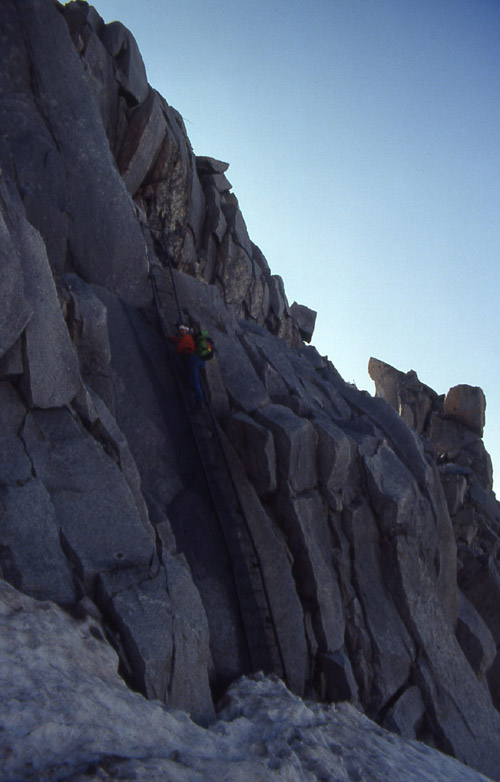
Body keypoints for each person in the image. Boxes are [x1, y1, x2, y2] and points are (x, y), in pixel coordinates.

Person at [169, 324, 205, 406]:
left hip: (194, 359)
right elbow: (178, 339)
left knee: (195, 381)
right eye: (180, 330)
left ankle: (199, 402)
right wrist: (170, 338)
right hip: (201, 360)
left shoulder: (187, 337)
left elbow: (179, 348)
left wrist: (173, 353)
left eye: (182, 329)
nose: (180, 331)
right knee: (194, 376)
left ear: (186, 330)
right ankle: (194, 387)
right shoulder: (191, 337)